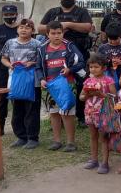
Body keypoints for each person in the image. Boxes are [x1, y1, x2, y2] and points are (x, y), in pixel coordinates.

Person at [39, 0, 94, 126]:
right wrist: (57, 27)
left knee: (82, 84)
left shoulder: (81, 12)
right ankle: (60, 117)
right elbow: (40, 28)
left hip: (78, 54)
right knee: (58, 85)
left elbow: (88, 27)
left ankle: (81, 117)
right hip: (55, 54)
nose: (67, 0)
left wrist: (68, 25)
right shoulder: (53, 12)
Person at [35, 21, 86, 152]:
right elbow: (38, 67)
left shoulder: (69, 46)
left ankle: (71, 142)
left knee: (68, 113)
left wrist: (70, 69)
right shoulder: (42, 48)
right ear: (47, 34)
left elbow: (81, 62)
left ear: (63, 33)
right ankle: (56, 141)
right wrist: (41, 79)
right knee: (54, 113)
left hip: (67, 85)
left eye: (59, 33)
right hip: (50, 87)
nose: (56, 36)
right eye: (53, 33)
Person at [0, 18, 41, 149]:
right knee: (17, 109)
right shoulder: (10, 43)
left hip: (32, 81)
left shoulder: (37, 44)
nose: (24, 29)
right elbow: (3, 58)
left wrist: (32, 63)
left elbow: (41, 61)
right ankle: (21, 137)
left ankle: (32, 138)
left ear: (32, 31)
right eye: (21, 27)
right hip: (15, 80)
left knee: (31, 109)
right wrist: (9, 65)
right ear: (17, 29)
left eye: (28, 27)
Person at [80, 54, 117, 174]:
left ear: (104, 68)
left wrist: (102, 95)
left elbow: (114, 96)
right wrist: (87, 95)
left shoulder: (108, 80)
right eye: (91, 67)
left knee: (103, 138)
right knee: (93, 136)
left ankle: (105, 162)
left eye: (96, 67)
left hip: (103, 113)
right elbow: (81, 97)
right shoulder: (88, 81)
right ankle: (94, 159)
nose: (93, 69)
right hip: (90, 112)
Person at [0, 4, 20, 136]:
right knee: (1, 99)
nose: (9, 17)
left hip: (18, 69)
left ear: (16, 14)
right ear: (3, 16)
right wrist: (3, 59)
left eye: (11, 14)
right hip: (2, 69)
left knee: (18, 98)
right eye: (6, 15)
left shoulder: (21, 29)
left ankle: (18, 129)